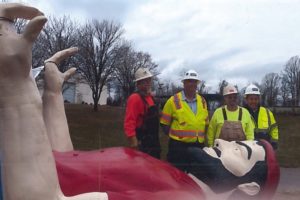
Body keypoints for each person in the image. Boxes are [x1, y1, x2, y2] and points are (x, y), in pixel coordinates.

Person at [160, 69, 209, 171]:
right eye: (189, 81)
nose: (192, 84)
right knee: (177, 175)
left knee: (197, 175)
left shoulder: (203, 101)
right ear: (184, 83)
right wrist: (176, 136)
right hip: (179, 147)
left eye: (194, 82)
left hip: (198, 145)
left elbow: (206, 123)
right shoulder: (173, 100)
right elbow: (164, 124)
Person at [124, 68, 161, 158]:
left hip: (154, 142)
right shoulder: (135, 98)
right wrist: (133, 141)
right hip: (143, 143)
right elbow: (129, 122)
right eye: (144, 81)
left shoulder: (150, 98)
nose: (148, 83)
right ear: (138, 83)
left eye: (149, 80)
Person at [244, 84, 279, 150]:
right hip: (247, 149)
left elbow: (274, 128)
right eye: (251, 99)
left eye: (256, 99)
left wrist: (274, 143)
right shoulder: (241, 112)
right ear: (246, 99)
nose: (254, 101)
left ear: (259, 99)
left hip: (265, 148)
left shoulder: (267, 112)